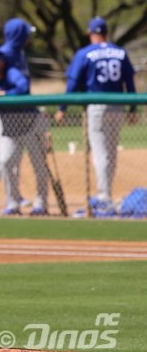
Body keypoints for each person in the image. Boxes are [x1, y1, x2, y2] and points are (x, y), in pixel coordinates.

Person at [54, 16, 138, 214]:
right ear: (106, 33)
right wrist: (133, 108)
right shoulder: (120, 52)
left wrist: (62, 107)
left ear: (91, 34)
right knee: (111, 152)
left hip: (97, 106)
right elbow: (130, 82)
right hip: (117, 106)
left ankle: (103, 197)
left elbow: (73, 83)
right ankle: (106, 193)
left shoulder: (85, 53)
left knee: (100, 153)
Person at [0, 47, 51, 216]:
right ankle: (12, 203)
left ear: (1, 63)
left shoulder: (12, 73)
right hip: (9, 128)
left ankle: (41, 204)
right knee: (5, 162)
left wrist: (4, 94)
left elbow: (23, 86)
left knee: (39, 165)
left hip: (31, 123)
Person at [0, 18, 37, 209]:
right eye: (26, 33)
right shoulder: (4, 53)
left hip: (16, 110)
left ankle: (14, 194)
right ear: (19, 34)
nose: (29, 37)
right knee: (2, 151)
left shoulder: (20, 53)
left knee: (15, 154)